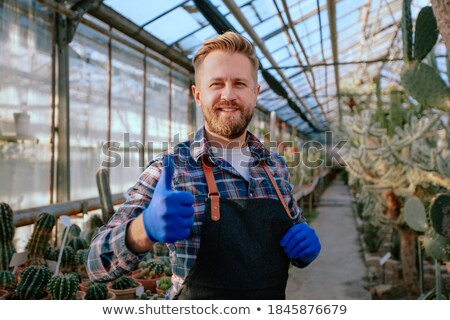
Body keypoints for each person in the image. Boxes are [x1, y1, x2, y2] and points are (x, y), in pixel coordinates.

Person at [86, 31, 321, 300]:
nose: (228, 95)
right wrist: (142, 230)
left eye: (240, 84)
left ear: (255, 94)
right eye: (217, 84)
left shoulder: (274, 167)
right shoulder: (172, 169)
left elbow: (296, 235)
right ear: (198, 95)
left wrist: (306, 247)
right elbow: (95, 264)